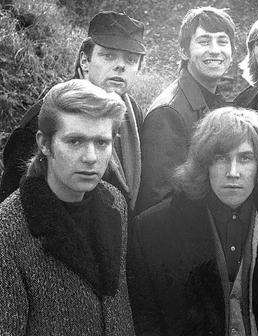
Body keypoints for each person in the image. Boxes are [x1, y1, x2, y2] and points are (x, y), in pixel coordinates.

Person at [128, 107, 258, 335]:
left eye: (245, 158)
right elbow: (147, 319)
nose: (233, 172)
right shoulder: (153, 228)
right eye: (221, 158)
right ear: (203, 164)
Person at [0, 79, 135, 335]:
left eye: (102, 143)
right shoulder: (9, 231)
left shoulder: (115, 202)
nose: (91, 157)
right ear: (44, 143)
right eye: (74, 141)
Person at [0, 11, 145, 212]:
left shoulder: (132, 114)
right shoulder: (44, 118)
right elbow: (14, 206)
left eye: (130, 59)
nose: (120, 66)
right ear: (85, 62)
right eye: (109, 55)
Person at [135, 6, 235, 213]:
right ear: (184, 51)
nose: (215, 50)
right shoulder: (167, 114)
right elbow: (158, 204)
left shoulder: (218, 101)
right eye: (204, 41)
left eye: (222, 41)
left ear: (232, 53)